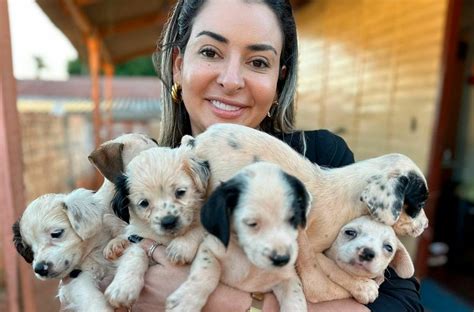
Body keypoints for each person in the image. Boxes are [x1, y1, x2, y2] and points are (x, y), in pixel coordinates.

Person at [128, 0, 423, 311]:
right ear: (178, 65)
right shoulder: (141, 173)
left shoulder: (323, 157)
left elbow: (401, 303)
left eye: (257, 62)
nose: (231, 80)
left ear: (278, 80)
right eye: (210, 52)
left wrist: (231, 303)